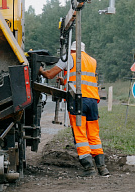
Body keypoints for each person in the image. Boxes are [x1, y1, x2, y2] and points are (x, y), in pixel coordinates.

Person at [40, 41, 109, 177]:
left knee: (80, 134)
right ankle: (102, 167)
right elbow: (83, 79)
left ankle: (89, 168)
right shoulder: (92, 60)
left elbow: (49, 75)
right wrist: (65, 82)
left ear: (72, 50)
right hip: (93, 100)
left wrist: (40, 70)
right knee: (93, 134)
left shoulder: (69, 58)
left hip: (78, 100)